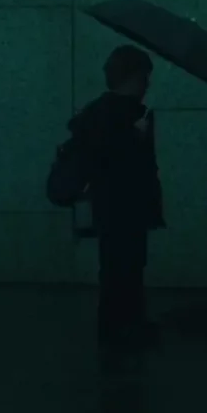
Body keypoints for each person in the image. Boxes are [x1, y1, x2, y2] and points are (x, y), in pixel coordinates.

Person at [68, 45, 165, 352]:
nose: (148, 83)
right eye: (145, 76)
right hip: (122, 206)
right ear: (134, 76)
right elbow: (115, 162)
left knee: (122, 267)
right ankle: (119, 331)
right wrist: (136, 137)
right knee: (123, 268)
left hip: (113, 207)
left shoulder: (102, 112)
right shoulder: (121, 116)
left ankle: (122, 327)